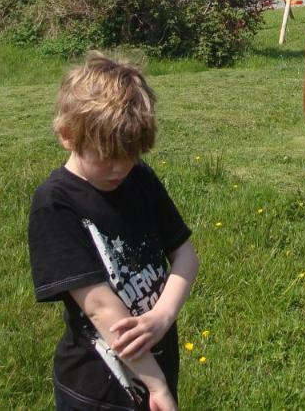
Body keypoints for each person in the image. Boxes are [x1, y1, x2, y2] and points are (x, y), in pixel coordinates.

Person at [29, 53, 200, 411]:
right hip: (97, 390)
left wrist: (162, 316)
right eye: (108, 155)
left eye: (132, 154)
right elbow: (102, 311)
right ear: (67, 136)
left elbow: (185, 255)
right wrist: (158, 387)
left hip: (156, 367)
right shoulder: (55, 204)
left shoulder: (140, 179)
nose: (121, 167)